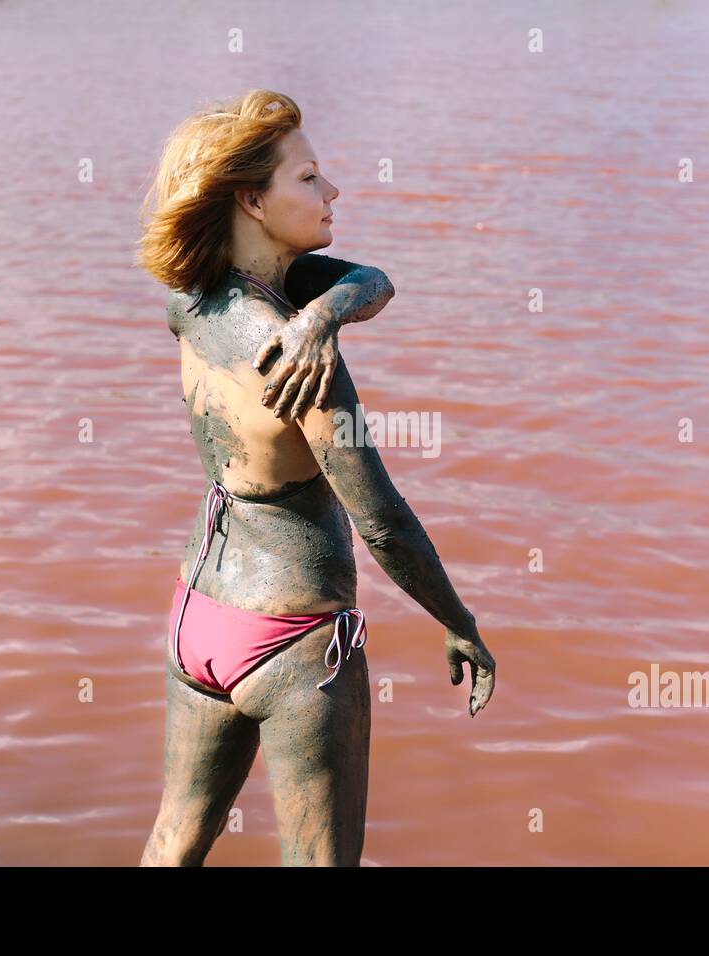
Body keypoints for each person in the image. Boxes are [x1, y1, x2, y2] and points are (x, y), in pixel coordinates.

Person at [134, 89, 495, 866]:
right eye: (310, 178)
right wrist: (459, 622)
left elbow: (373, 278)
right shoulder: (302, 369)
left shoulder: (191, 302)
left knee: (172, 844)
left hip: (198, 613)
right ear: (254, 200)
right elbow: (383, 522)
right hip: (292, 638)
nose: (331, 193)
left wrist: (323, 314)